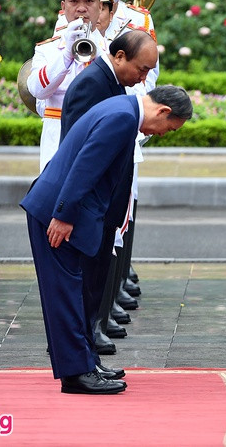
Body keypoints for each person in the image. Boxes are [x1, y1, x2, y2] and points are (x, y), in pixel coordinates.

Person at [20, 85, 192, 394]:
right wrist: (63, 215)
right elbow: (83, 169)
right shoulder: (123, 117)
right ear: (163, 111)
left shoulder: (122, 108)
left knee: (73, 291)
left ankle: (85, 364)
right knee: (65, 294)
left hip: (60, 210)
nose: (164, 134)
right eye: (169, 128)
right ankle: (76, 375)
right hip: (55, 213)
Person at [60, 30, 160, 358]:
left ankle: (86, 347)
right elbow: (79, 154)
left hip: (104, 201)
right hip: (89, 203)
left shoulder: (115, 83)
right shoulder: (93, 84)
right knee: (85, 280)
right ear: (119, 57)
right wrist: (72, 209)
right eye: (141, 70)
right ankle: (78, 352)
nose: (144, 77)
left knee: (97, 276)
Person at [26, 0, 111, 171]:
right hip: (57, 142)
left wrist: (98, 50)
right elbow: (37, 90)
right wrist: (66, 54)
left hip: (99, 136)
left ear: (100, 6)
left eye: (89, 1)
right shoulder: (47, 50)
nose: (81, 8)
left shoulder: (111, 50)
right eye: (74, 1)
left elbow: (124, 91)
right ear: (63, 7)